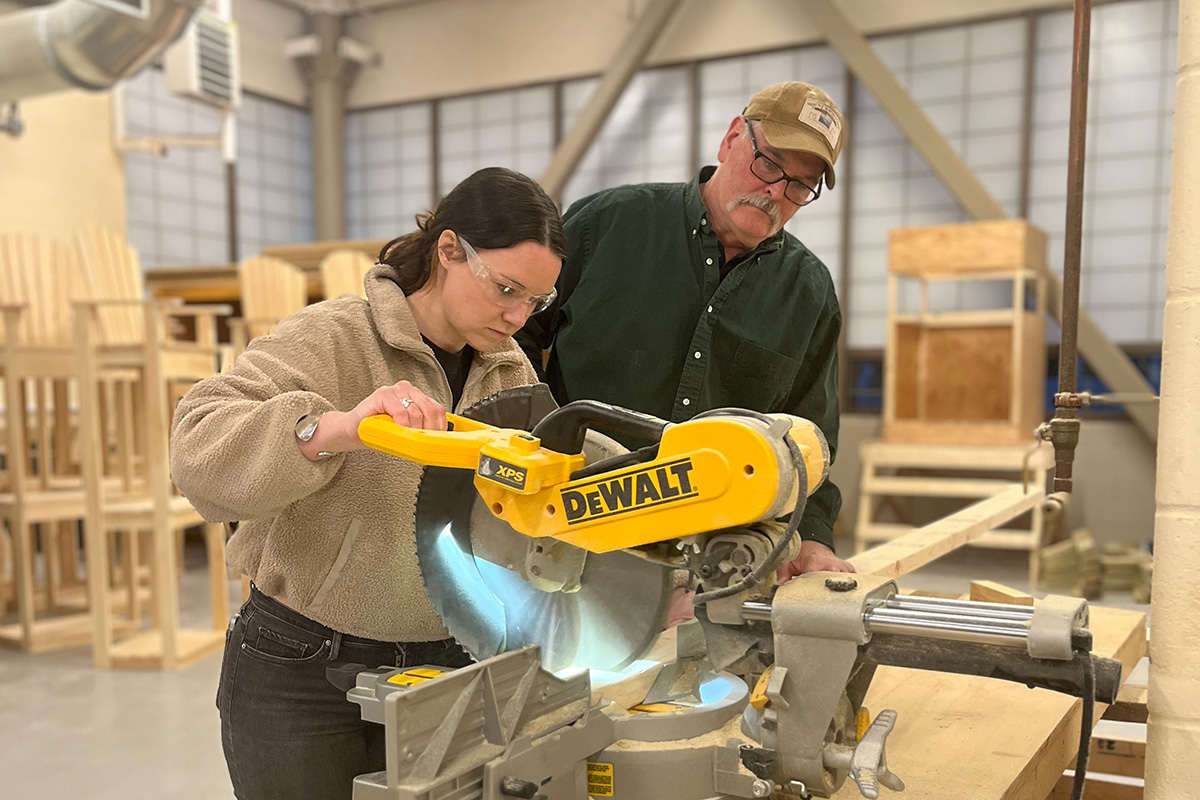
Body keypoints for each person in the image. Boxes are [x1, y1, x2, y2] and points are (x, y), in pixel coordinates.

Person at [169, 167, 564, 800]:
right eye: (507, 289)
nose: (519, 316)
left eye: (536, 302)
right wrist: (333, 429)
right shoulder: (333, 337)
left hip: (450, 667)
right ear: (449, 250)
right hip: (304, 671)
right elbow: (197, 450)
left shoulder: (509, 374)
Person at [517, 82, 854, 579]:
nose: (776, 192)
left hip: (714, 556)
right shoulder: (606, 226)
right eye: (769, 164)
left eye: (800, 187)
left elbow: (811, 440)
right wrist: (530, 447)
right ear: (732, 138)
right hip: (565, 528)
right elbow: (512, 340)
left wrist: (815, 540)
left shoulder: (809, 293)